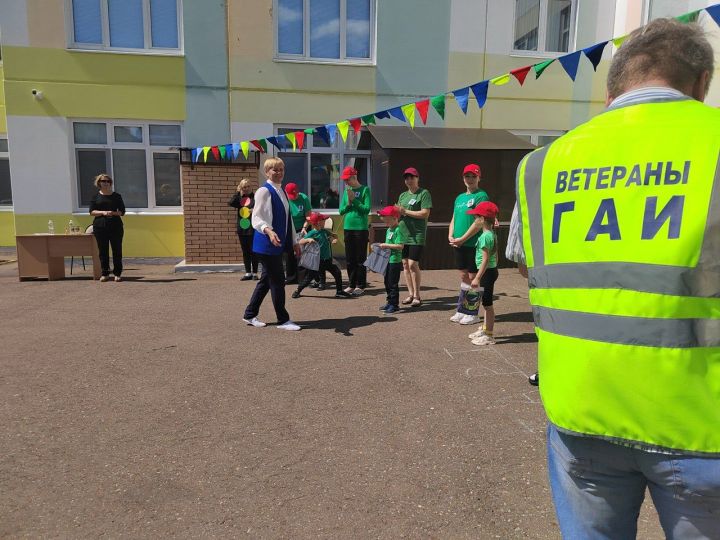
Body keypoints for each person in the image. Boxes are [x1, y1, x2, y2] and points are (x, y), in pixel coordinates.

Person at [507, 18, 720, 538]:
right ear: (700, 83)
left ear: (612, 87)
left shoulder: (543, 163)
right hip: (699, 422)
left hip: (582, 410)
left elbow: (525, 262)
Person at [243, 157, 301, 331]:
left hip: (277, 244)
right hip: (266, 245)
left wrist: (294, 241)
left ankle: (249, 314)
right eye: (275, 170)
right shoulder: (264, 191)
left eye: (281, 169)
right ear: (267, 172)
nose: (279, 172)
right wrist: (268, 230)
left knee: (266, 280)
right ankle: (283, 320)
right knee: (277, 281)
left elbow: (288, 219)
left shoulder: (281, 191)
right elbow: (257, 217)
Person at [448, 164, 489, 324]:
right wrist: (450, 234)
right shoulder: (459, 198)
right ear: (463, 178)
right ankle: (462, 309)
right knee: (463, 275)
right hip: (458, 243)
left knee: (473, 277)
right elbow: (454, 218)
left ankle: (472, 312)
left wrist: (463, 238)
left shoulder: (481, 196)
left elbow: (479, 221)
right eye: (467, 176)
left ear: (479, 177)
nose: (470, 179)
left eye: (473, 176)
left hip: (472, 243)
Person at [291, 212, 352, 299]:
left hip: (327, 260)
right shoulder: (312, 233)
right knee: (308, 278)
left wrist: (334, 239)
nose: (325, 221)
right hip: (318, 261)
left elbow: (333, 236)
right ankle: (298, 291)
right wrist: (308, 239)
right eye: (324, 220)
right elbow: (300, 242)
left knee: (337, 272)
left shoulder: (324, 231)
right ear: (318, 222)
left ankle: (339, 291)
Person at [396, 167, 432, 307]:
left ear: (417, 178)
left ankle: (417, 295)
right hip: (403, 233)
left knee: (412, 264)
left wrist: (405, 211)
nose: (409, 180)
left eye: (412, 177)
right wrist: (392, 213)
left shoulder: (423, 193)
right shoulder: (402, 195)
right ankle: (410, 294)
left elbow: (425, 214)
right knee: (405, 264)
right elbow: (399, 213)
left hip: (417, 235)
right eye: (407, 178)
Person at [464, 202, 500, 346]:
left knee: (487, 305)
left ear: (483, 219)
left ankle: (489, 335)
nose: (474, 220)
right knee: (485, 304)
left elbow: (485, 259)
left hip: (487, 273)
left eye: (476, 217)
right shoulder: (491, 234)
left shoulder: (486, 236)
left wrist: (477, 277)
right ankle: (485, 329)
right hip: (490, 271)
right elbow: (494, 257)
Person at [339, 166, 371, 295]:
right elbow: (341, 211)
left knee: (360, 258)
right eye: (345, 180)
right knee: (349, 258)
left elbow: (366, 209)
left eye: (348, 180)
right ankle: (351, 284)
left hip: (361, 228)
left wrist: (355, 200)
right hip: (348, 227)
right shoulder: (347, 191)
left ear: (354, 177)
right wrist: (348, 204)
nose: (346, 183)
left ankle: (360, 285)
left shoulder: (365, 190)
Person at [89, 173, 125, 282]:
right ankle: (105, 273)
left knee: (117, 250)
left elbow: (122, 212)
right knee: (103, 251)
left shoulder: (116, 196)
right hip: (100, 226)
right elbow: (91, 212)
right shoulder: (95, 197)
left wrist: (113, 213)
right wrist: (103, 212)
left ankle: (117, 273)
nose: (105, 183)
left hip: (115, 226)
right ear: (99, 183)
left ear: (110, 183)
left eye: (108, 181)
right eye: (103, 181)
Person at [376, 205, 407, 314]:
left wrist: (386, 245)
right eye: (385, 221)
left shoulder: (398, 229)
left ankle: (394, 305)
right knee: (386, 282)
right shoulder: (389, 229)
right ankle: (389, 302)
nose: (386, 223)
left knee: (393, 283)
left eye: (388, 221)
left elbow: (400, 246)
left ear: (395, 218)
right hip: (387, 260)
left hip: (394, 260)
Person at [228, 178, 259, 280]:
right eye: (244, 187)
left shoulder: (255, 197)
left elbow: (262, 208)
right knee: (245, 251)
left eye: (247, 186)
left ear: (251, 186)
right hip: (242, 228)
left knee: (254, 251)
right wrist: (238, 192)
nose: (246, 189)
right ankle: (248, 273)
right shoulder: (240, 198)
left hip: (253, 228)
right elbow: (231, 202)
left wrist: (254, 210)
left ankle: (255, 273)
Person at [284, 182, 311, 284]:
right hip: (290, 229)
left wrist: (304, 228)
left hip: (303, 228)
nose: (293, 197)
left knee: (302, 253)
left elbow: (308, 217)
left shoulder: (304, 198)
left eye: (295, 195)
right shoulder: (285, 199)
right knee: (289, 253)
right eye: (291, 195)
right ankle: (291, 277)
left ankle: (303, 278)